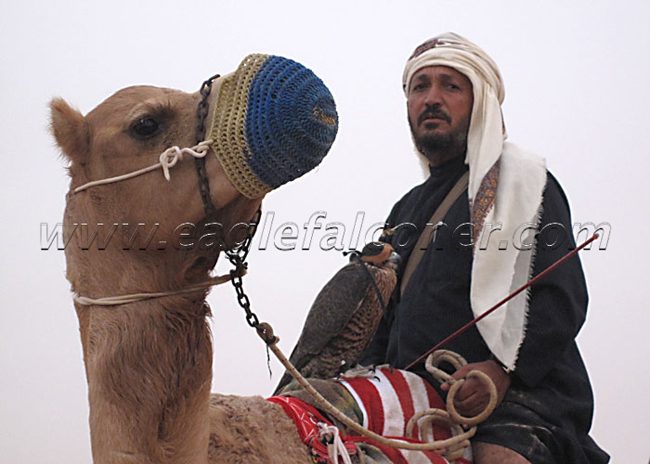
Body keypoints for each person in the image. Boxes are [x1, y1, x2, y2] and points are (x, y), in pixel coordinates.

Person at [361, 33, 609, 464]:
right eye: (420, 87)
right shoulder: (404, 210)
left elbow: (561, 297)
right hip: (414, 402)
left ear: (481, 103)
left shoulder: (525, 181)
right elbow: (381, 320)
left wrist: (504, 372)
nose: (432, 98)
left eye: (450, 86)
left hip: (520, 400)